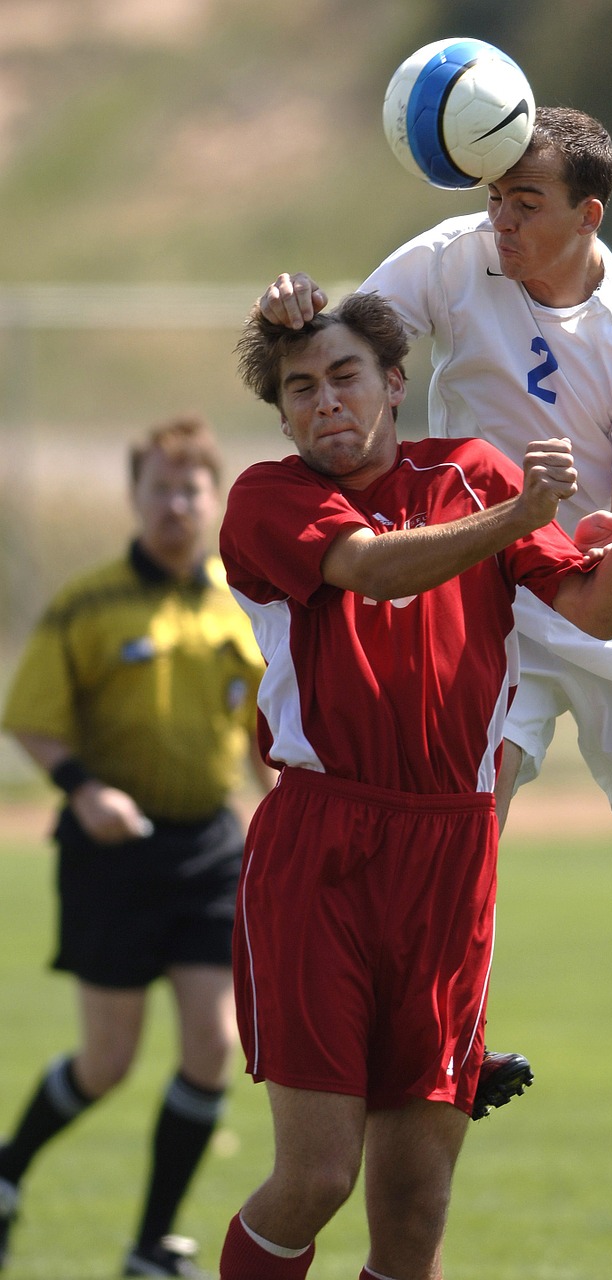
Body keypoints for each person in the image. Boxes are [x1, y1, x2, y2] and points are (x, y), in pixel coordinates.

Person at [257, 105, 612, 1231]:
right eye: (492, 192)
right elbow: (349, 340)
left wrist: (586, 518)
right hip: (489, 584)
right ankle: (459, 1036)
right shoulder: (452, 259)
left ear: (586, 216)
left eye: (521, 201)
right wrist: (296, 301)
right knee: (462, 807)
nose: (496, 217)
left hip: (609, 579)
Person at [216, 290, 612, 1280]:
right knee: (317, 1173)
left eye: (344, 374)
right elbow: (371, 571)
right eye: (299, 388)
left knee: (414, 1210)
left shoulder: (472, 475)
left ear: (395, 380)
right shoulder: (268, 497)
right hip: (322, 851)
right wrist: (521, 515)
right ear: (279, 415)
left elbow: (598, 609)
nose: (324, 401)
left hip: (453, 851)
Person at [0, 415, 276, 1279]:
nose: (174, 505)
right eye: (158, 489)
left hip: (206, 852)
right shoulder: (86, 603)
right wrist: (85, 789)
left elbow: (267, 731)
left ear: (210, 499)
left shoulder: (243, 603)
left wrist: (282, 815)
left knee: (213, 1046)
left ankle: (149, 1246)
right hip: (109, 855)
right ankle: (6, 1175)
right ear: (136, 499)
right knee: (108, 1062)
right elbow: (32, 721)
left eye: (189, 490)